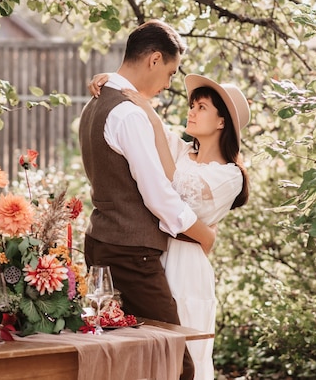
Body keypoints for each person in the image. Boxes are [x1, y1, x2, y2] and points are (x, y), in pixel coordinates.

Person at [89, 72, 250, 379]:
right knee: (150, 349)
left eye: (201, 107)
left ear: (221, 122)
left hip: (187, 265)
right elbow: (154, 136)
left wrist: (151, 114)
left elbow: (174, 183)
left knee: (183, 351)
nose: (191, 111)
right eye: (192, 105)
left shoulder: (230, 175)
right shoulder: (180, 150)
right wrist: (110, 78)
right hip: (154, 254)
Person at [78, 20, 216, 380]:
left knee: (125, 361)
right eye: (170, 72)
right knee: (174, 362)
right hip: (130, 254)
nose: (168, 84)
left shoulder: (95, 102)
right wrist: (202, 234)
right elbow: (157, 194)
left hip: (100, 244)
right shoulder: (127, 113)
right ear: (154, 59)